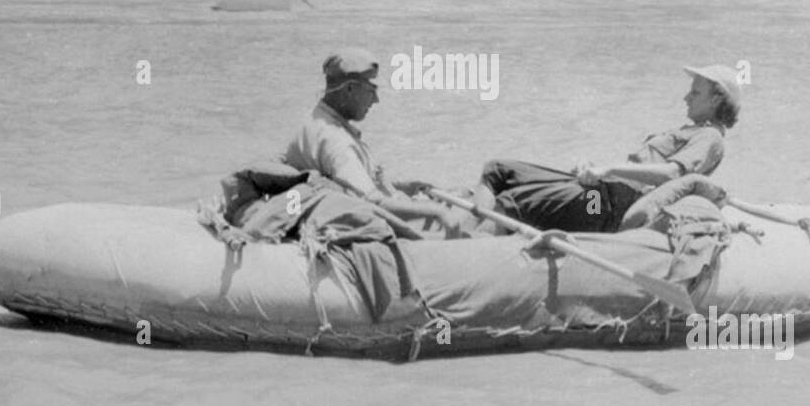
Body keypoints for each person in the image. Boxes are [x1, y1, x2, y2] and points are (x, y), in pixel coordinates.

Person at [476, 64, 741, 234]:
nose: (686, 97)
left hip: (602, 208)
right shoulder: (690, 131)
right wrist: (594, 168)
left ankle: (472, 248)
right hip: (599, 192)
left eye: (695, 93)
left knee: (515, 201)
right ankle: (474, 229)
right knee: (498, 171)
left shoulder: (710, 138)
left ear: (717, 98)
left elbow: (672, 174)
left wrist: (608, 168)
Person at [281, 48, 462, 233]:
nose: (376, 100)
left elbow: (349, 182)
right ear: (350, 89)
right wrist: (435, 211)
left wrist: (401, 186)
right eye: (371, 90)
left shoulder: (317, 120)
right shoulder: (335, 141)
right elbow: (373, 203)